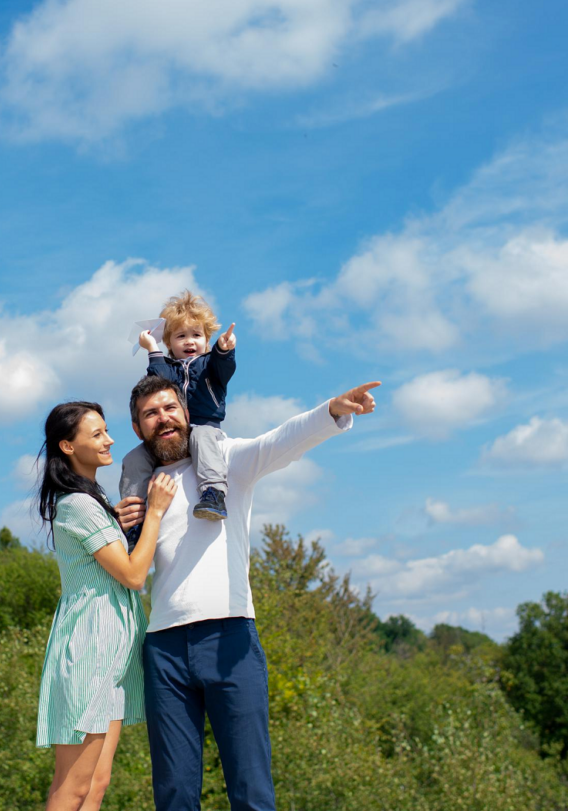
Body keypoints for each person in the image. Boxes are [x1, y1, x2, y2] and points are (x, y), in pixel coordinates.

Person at [115, 374, 380, 811]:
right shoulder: (137, 490)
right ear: (138, 428)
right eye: (150, 414)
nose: (163, 419)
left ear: (186, 413)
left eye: (170, 409)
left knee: (250, 786)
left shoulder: (226, 461)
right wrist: (120, 520)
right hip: (163, 647)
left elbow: (282, 441)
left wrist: (332, 409)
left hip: (230, 637)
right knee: (174, 792)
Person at [35, 400, 177, 811]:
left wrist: (115, 523)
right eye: (96, 434)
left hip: (112, 655)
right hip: (89, 653)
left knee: (97, 784)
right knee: (73, 788)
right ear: (67, 446)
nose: (109, 439)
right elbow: (133, 575)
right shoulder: (78, 504)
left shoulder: (91, 503)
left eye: (106, 430)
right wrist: (156, 514)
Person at [121, 291, 237, 539]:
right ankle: (134, 522)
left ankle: (213, 494)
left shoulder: (209, 365)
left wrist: (224, 351)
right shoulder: (168, 368)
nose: (189, 342)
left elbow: (224, 367)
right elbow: (161, 383)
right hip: (172, 435)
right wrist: (152, 348)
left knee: (201, 437)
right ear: (169, 343)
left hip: (204, 427)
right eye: (181, 336)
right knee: (134, 458)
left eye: (197, 335)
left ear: (207, 340)